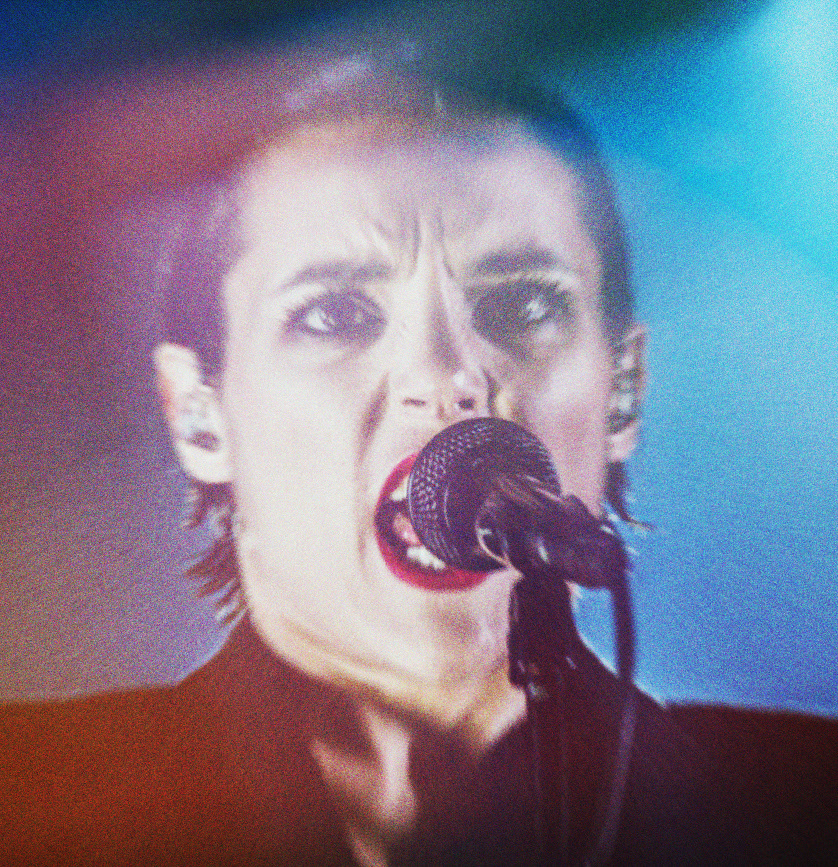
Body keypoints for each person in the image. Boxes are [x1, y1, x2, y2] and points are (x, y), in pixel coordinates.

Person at [1, 53, 836, 867]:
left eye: (523, 303)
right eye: (334, 313)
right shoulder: (26, 797)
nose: (445, 375)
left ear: (622, 390)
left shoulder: (805, 804)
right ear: (200, 416)